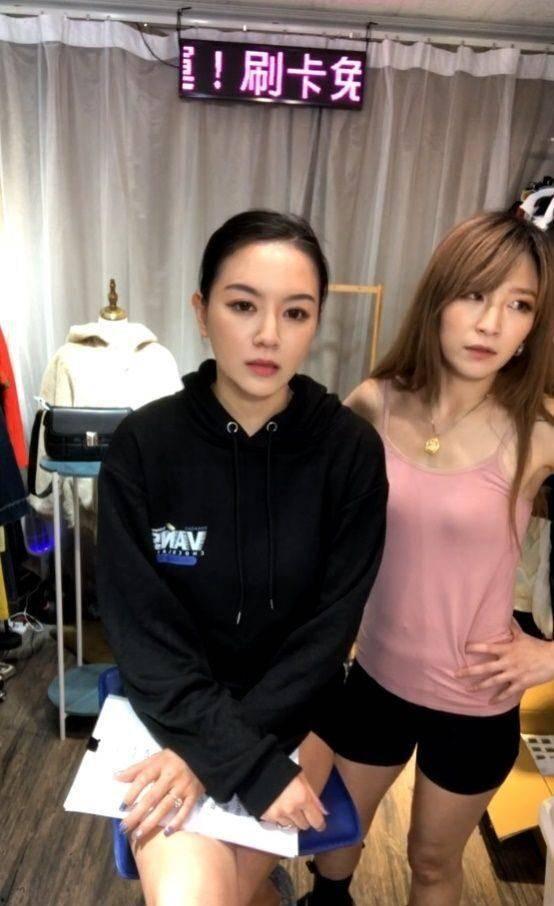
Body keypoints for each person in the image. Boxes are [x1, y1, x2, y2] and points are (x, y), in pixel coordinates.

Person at [96, 210, 388, 906]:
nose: (268, 335)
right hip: (168, 710)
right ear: (202, 312)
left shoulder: (350, 452)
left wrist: (225, 757)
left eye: (295, 312)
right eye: (243, 306)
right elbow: (142, 635)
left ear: (316, 322)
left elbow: (326, 635)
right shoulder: (143, 447)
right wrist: (235, 759)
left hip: (298, 713)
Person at [300, 206, 554, 906]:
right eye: (475, 294)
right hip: (375, 678)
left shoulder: (538, 431)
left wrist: (550, 656)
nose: (491, 323)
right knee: (331, 845)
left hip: (477, 699)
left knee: (433, 863)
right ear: (439, 298)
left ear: (534, 326)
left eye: (519, 305)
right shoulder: (374, 404)